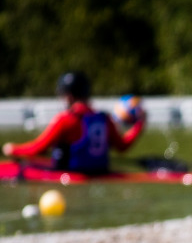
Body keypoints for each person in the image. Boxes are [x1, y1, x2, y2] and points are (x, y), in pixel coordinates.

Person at [2, 71, 146, 175]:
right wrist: (139, 124)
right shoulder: (104, 118)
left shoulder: (66, 120)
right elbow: (122, 147)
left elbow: (38, 149)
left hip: (70, 174)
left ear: (69, 96)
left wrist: (13, 149)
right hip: (101, 173)